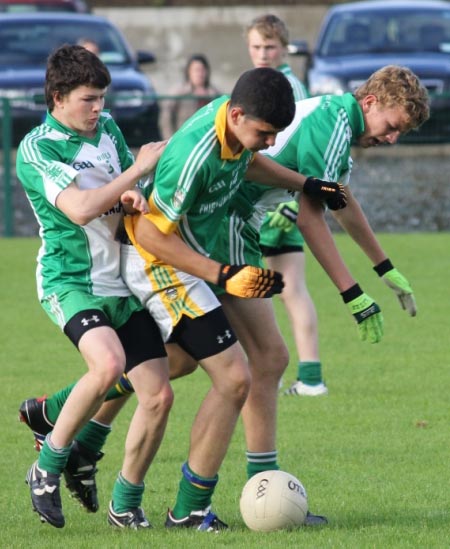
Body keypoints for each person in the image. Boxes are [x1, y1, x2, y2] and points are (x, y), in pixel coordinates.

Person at [19, 66, 346, 530]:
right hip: (151, 266)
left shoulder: (225, 123)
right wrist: (223, 273)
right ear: (236, 115)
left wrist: (304, 183)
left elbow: (244, 161)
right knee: (229, 378)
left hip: (167, 261)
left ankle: (71, 430)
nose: (270, 142)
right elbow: (146, 231)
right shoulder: (190, 153)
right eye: (264, 133)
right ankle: (182, 508)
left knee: (174, 367)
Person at [16, 44, 174, 529]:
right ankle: (47, 468)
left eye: (103, 98)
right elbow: (81, 208)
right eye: (89, 99)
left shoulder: (106, 130)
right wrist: (136, 171)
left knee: (159, 394)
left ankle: (124, 505)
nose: (99, 109)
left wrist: (134, 195)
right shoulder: (37, 147)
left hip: (122, 279)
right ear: (58, 97)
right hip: (71, 280)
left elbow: (127, 191)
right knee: (108, 365)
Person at [245, 13, 327, 396]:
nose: (263, 53)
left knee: (269, 289)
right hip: (277, 201)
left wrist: (290, 202)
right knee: (288, 289)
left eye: (270, 47)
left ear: (283, 48)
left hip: (272, 204)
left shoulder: (284, 87)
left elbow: (291, 148)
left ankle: (273, 370)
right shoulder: (264, 83)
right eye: (257, 46)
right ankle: (309, 377)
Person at [160, 53, 220, 140]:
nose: (199, 74)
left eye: (202, 70)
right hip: (183, 140)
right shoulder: (178, 93)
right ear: (189, 72)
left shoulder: (215, 94)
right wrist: (170, 140)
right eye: (196, 70)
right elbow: (166, 119)